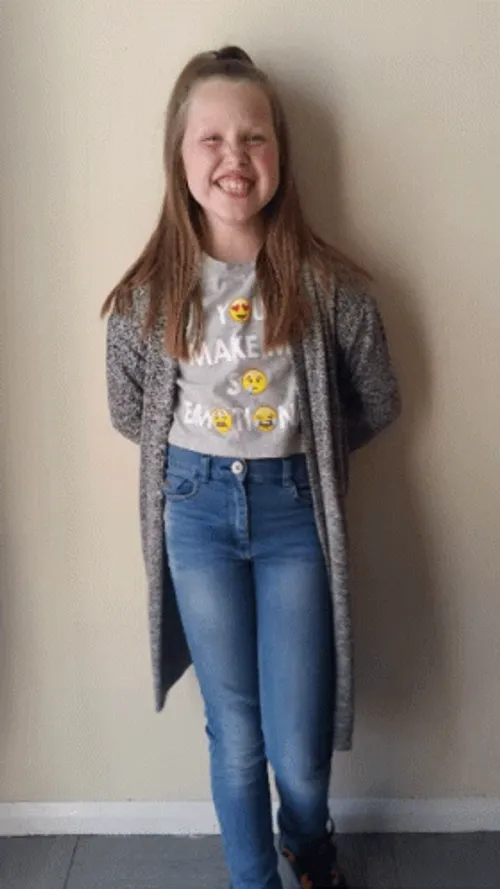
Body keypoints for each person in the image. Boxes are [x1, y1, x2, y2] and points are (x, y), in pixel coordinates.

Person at [102, 45, 401, 889]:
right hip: (194, 514)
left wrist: (308, 462)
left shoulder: (329, 289)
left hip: (293, 513)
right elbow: (130, 409)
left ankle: (308, 842)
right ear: (179, 156)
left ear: (281, 154)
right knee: (235, 732)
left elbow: (377, 399)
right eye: (212, 138)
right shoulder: (146, 297)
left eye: (254, 137)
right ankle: (253, 880)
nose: (234, 157)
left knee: (299, 743)